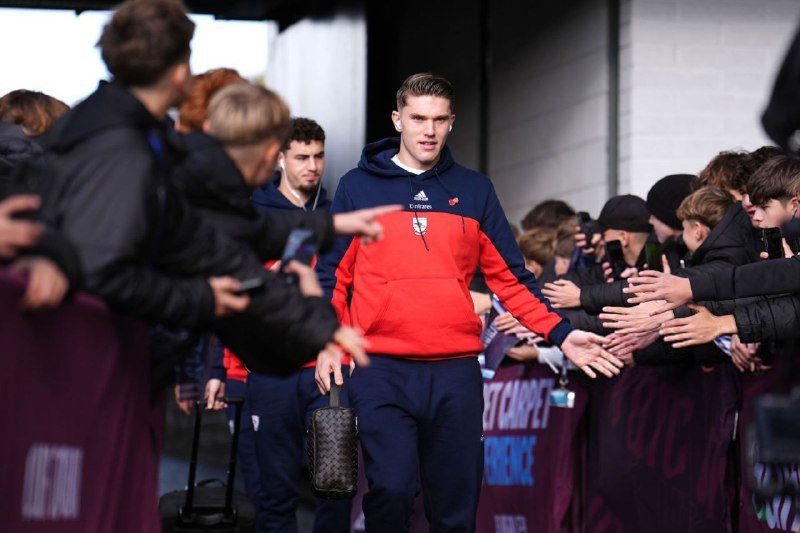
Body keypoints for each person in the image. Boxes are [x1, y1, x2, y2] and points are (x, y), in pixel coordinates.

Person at [316, 72, 621, 532]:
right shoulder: (358, 187)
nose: (429, 130)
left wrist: (562, 333)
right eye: (418, 119)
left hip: (455, 373)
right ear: (397, 120)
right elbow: (331, 276)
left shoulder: (475, 190)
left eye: (439, 120)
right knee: (392, 492)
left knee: (455, 512)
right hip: (380, 368)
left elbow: (512, 281)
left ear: (452, 122)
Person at [42, 0, 368, 375]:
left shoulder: (119, 134)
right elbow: (101, 272)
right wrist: (201, 297)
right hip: (94, 362)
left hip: (99, 358)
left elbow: (211, 243)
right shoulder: (127, 151)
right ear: (181, 71)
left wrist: (322, 233)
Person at [245, 117, 352, 532]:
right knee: (274, 494)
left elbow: (349, 284)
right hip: (272, 371)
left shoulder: (336, 215)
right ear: (280, 158)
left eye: (319, 156)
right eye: (302, 157)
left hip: (328, 371)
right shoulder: (253, 214)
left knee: (335, 487)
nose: (312, 166)